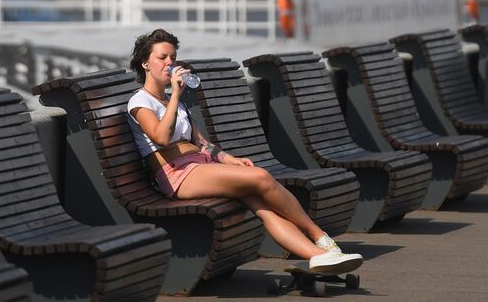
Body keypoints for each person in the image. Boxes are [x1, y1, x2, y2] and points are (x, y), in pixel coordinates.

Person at [127, 29, 363, 274]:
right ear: (145, 63)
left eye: (173, 58)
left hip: (199, 166)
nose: (170, 63)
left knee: (261, 204)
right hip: (178, 174)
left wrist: (230, 159)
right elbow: (162, 138)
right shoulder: (141, 102)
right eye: (162, 57)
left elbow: (201, 143)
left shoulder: (174, 103)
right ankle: (321, 237)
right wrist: (176, 94)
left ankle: (319, 256)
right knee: (260, 177)